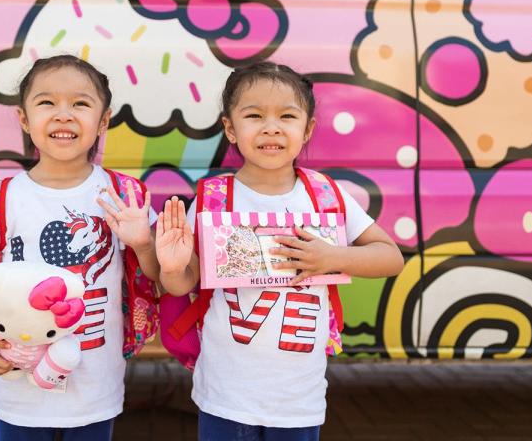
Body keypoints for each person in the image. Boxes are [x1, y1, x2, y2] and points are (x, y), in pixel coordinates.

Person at [156, 61, 404, 441]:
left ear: (307, 131)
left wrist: (333, 257)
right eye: (254, 115)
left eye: (286, 116)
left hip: (298, 399)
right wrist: (172, 269)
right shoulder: (214, 199)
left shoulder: (325, 195)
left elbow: (390, 257)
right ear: (230, 129)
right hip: (225, 395)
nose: (271, 127)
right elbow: (181, 283)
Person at [0, 55, 159, 441]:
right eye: (47, 103)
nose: (63, 115)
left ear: (103, 121)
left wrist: (144, 244)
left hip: (94, 388)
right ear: (23, 118)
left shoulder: (122, 197)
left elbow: (153, 278)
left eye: (80, 104)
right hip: (18, 389)